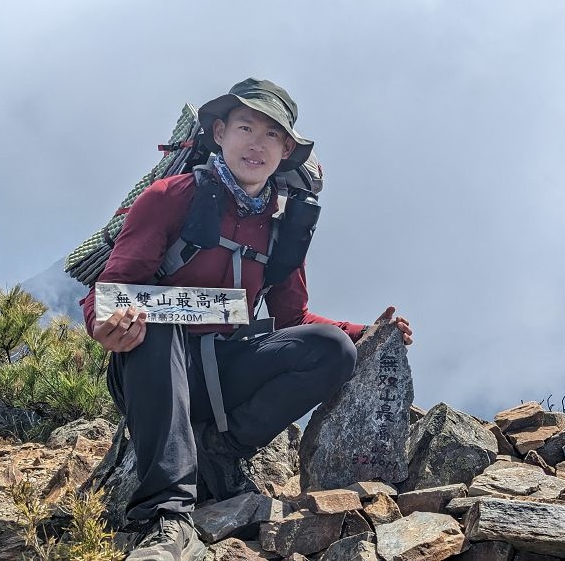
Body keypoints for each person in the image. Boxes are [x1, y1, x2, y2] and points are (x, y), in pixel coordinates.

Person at [82, 78, 412, 561]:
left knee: (329, 350)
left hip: (223, 370)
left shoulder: (282, 229)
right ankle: (167, 518)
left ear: (285, 151)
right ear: (219, 133)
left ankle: (220, 451)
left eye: (272, 134)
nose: (256, 143)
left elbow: (292, 317)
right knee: (156, 324)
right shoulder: (170, 197)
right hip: (152, 366)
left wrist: (366, 334)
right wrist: (106, 327)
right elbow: (112, 290)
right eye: (244, 127)